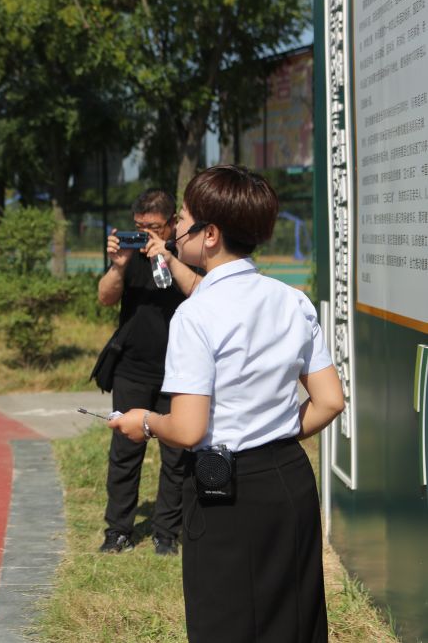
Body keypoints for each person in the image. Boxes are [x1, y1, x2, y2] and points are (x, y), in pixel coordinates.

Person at [109, 165, 344, 642]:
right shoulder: (292, 300)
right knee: (293, 618)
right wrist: (274, 429)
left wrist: (146, 422)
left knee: (226, 620)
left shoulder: (195, 315)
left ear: (210, 234)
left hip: (226, 491)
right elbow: (331, 401)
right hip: (291, 480)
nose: (176, 227)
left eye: (184, 219)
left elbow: (189, 429)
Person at [96, 189, 197, 555]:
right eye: (139, 227)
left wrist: (167, 257)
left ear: (172, 224)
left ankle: (166, 532)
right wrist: (118, 265)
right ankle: (118, 530)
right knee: (124, 450)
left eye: (153, 228)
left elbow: (201, 296)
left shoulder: (187, 252)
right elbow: (105, 297)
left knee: (176, 453)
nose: (146, 235)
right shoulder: (128, 251)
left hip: (181, 371)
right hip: (133, 369)